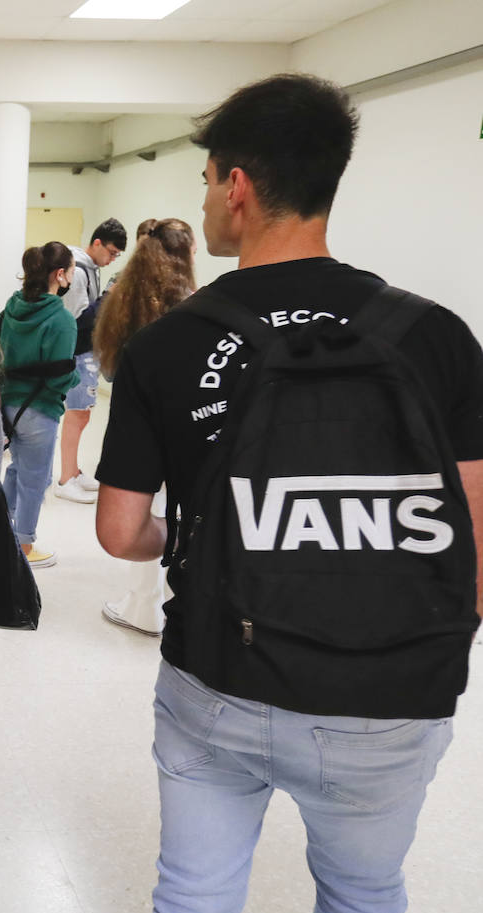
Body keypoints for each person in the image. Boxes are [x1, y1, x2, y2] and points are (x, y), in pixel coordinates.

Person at [95, 73, 483, 912]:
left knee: (195, 893)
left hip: (219, 677)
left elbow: (121, 531)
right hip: (392, 691)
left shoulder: (167, 346)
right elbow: (475, 535)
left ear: (236, 187)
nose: (203, 202)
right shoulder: (437, 336)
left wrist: (197, 531)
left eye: (205, 181)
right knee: (364, 890)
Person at [91, 218, 197, 635]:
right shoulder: (195, 304)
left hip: (142, 424)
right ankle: (169, 595)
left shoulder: (126, 300)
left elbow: (113, 366)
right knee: (181, 508)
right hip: (192, 423)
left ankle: (142, 602)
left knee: (145, 514)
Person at [0, 242, 79, 569]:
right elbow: (59, 378)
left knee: (18, 469)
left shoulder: (10, 308)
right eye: (71, 271)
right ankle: (25, 547)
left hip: (5, 408)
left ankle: (3, 531)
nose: (73, 277)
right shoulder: (61, 319)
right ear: (59, 275)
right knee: (37, 480)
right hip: (39, 410)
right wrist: (74, 382)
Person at [56, 217, 127, 503]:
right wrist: (109, 299)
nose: (112, 259)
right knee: (77, 414)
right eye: (111, 252)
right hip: (76, 351)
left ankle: (73, 471)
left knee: (82, 413)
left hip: (85, 350)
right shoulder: (80, 269)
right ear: (97, 243)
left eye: (117, 256)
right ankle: (65, 479)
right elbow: (75, 320)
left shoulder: (90, 268)